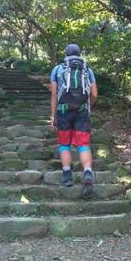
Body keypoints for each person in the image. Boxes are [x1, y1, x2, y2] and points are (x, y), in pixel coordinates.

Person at [49, 44, 98, 199]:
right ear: (79, 54)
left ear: (66, 54)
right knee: (83, 145)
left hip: (63, 111)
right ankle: (88, 174)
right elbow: (95, 94)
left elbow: (54, 95)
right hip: (82, 111)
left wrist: (53, 116)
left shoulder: (58, 69)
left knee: (64, 144)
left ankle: (67, 175)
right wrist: (87, 107)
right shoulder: (87, 70)